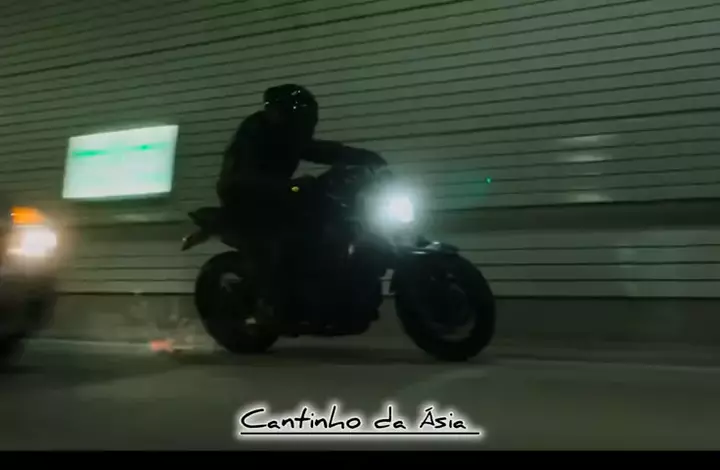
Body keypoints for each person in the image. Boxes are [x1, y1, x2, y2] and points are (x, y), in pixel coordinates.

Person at [216, 84, 386, 311]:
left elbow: (320, 150)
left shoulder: (288, 136)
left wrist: (366, 158)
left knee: (328, 212)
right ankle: (270, 299)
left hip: (279, 191)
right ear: (281, 113)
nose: (307, 123)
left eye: (309, 116)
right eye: (302, 116)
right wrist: (290, 186)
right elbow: (243, 175)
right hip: (244, 194)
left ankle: (332, 277)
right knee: (279, 236)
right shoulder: (254, 134)